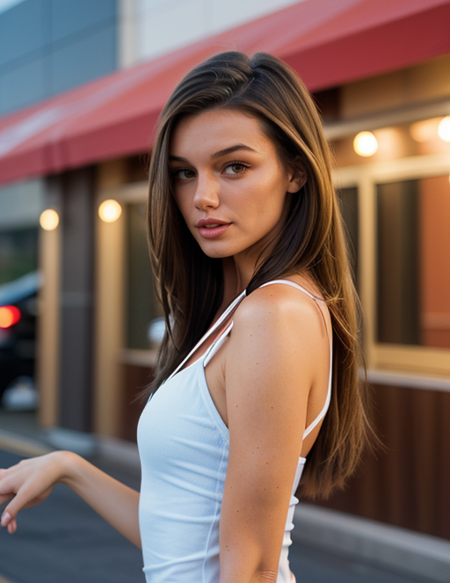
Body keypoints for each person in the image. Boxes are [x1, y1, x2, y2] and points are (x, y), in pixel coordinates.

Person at [0, 52, 374, 583]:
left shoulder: (275, 314)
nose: (203, 196)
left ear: (295, 171)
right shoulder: (239, 311)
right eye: (183, 173)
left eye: (234, 166)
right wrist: (70, 467)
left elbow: (250, 567)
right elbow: (181, 543)